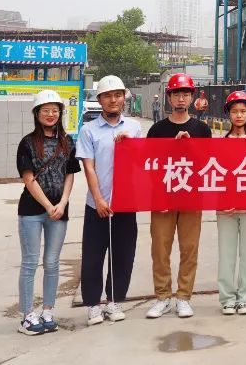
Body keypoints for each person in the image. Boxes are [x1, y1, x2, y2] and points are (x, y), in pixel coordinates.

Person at [145, 73, 213, 320]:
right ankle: (163, 297)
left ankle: (183, 297)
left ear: (192, 98)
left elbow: (208, 164)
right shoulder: (157, 129)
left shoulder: (202, 129)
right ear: (169, 98)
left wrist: (190, 145)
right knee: (160, 249)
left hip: (191, 197)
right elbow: (148, 164)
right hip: (163, 199)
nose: (181, 98)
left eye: (185, 94)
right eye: (176, 94)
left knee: (189, 248)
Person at [77, 75, 142, 326]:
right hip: (98, 205)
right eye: (107, 96)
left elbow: (140, 163)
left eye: (117, 95)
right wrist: (99, 199)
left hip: (126, 204)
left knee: (123, 255)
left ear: (124, 98)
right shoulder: (89, 130)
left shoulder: (134, 127)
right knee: (93, 256)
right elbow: (89, 167)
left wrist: (130, 145)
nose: (113, 100)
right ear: (100, 99)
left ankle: (114, 300)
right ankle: (93, 304)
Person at [16, 90, 80, 335]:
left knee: (52, 263)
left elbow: (70, 174)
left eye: (55, 110)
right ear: (37, 113)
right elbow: (28, 178)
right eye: (46, 110)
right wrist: (47, 205)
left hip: (59, 211)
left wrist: (62, 203)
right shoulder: (28, 143)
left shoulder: (68, 142)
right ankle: (27, 316)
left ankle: (47, 311)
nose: (51, 114)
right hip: (32, 211)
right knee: (30, 262)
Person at [217, 90, 246, 316]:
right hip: (226, 207)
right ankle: (227, 298)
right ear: (228, 114)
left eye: (243, 111)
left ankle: (245, 298)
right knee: (226, 255)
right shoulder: (221, 143)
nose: (239, 115)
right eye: (234, 111)